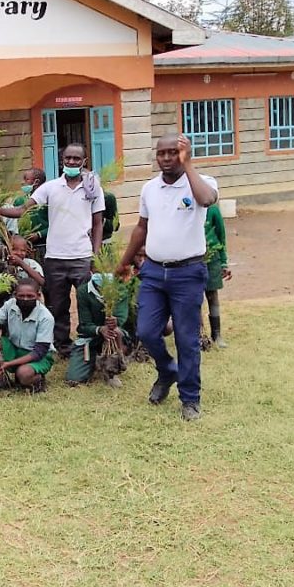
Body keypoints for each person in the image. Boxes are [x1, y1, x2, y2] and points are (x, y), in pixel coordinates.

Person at [115, 133, 218, 422]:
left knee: (186, 339)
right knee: (147, 331)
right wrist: (124, 263)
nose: (167, 158)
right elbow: (141, 228)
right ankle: (167, 371)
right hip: (153, 272)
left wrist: (189, 166)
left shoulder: (201, 183)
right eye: (162, 153)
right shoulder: (149, 189)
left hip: (188, 272)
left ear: (184, 154)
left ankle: (190, 398)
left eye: (174, 152)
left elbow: (208, 200)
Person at [0, 144, 104, 357]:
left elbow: (98, 224)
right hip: (55, 258)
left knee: (88, 302)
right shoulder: (50, 188)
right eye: (68, 158)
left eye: (76, 159)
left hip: (82, 256)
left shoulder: (92, 187)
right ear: (62, 160)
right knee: (57, 305)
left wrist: (95, 255)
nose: (71, 162)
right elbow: (23, 209)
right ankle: (62, 345)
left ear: (84, 161)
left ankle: (89, 344)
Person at [0, 278, 56, 394]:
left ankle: (38, 380)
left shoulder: (46, 317)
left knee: (23, 374)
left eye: (30, 296)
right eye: (21, 296)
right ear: (14, 295)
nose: (25, 299)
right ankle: (2, 380)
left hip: (36, 355)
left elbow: (39, 352)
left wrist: (8, 363)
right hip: (14, 347)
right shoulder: (9, 305)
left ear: (38, 296)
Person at [66, 273, 130, 388]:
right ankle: (95, 359)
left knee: (116, 332)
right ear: (91, 271)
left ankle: (112, 370)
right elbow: (84, 325)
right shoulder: (83, 291)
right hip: (90, 337)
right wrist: (99, 329)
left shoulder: (121, 289)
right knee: (74, 378)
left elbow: (121, 317)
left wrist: (115, 322)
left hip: (114, 335)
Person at [203, 202, 232, 349]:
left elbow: (221, 236)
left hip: (212, 256)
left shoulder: (213, 210)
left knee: (212, 295)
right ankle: (199, 335)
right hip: (192, 257)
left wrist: (223, 262)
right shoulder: (186, 206)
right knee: (192, 298)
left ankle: (217, 334)